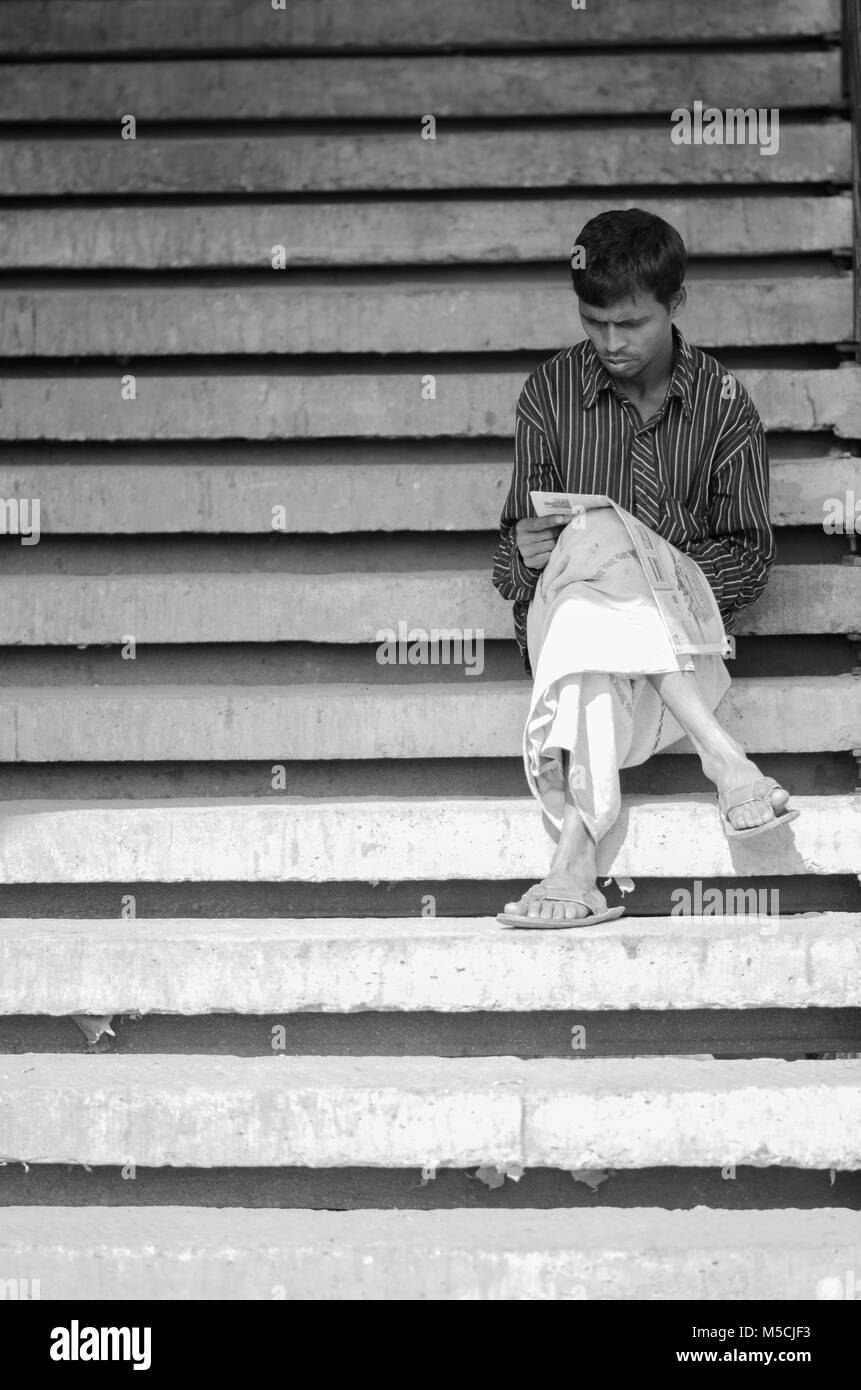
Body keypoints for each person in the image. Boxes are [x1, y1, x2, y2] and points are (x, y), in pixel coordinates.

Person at [491, 208, 797, 930]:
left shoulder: (723, 405)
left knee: (605, 550)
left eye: (630, 323)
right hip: (572, 630)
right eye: (593, 321)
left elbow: (748, 561)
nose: (610, 342)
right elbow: (508, 559)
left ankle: (574, 859)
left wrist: (644, 571)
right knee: (596, 537)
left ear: (675, 303)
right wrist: (527, 553)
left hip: (666, 644)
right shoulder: (548, 393)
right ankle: (723, 759)